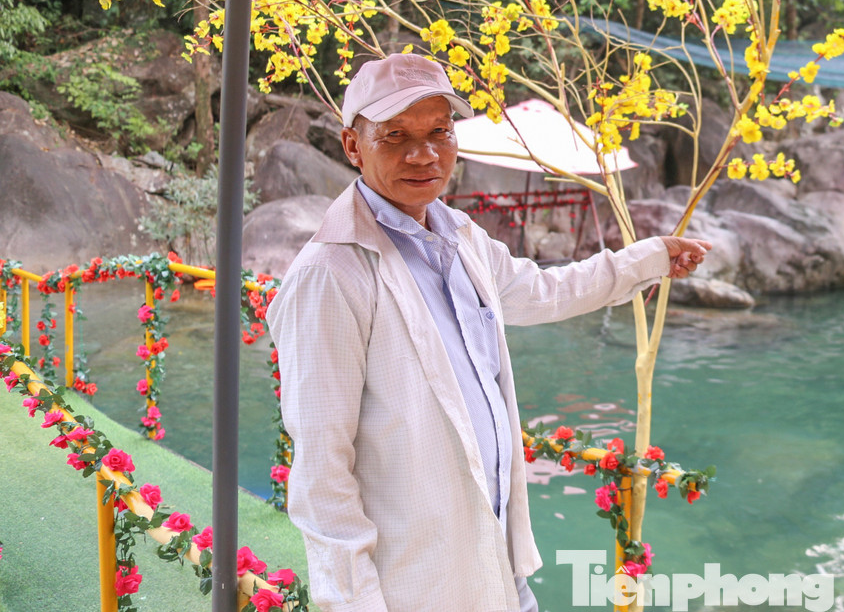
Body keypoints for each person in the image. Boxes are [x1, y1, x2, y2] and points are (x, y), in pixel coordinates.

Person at [266, 53, 712, 612]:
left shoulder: (459, 236)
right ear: (353, 146)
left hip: (496, 556)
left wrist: (649, 259)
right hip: (414, 583)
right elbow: (321, 472)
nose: (423, 153)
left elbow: (545, 291)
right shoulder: (331, 274)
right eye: (395, 136)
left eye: (438, 133)